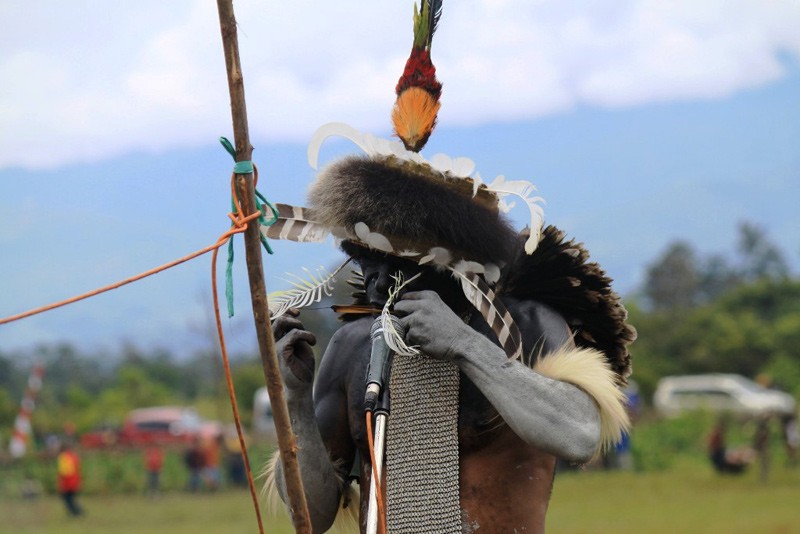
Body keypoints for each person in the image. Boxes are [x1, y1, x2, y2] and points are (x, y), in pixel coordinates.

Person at [261, 4, 634, 532]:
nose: (369, 283)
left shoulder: (526, 329)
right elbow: (314, 515)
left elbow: (577, 435)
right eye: (362, 263)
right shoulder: (353, 347)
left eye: (388, 266)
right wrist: (295, 399)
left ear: (446, 269)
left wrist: (467, 346)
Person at [56, 442, 83, 517]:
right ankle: (78, 511)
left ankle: (76, 512)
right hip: (75, 480)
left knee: (67, 499)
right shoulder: (74, 456)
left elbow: (65, 471)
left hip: (67, 482)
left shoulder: (63, 457)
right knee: (72, 498)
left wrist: (61, 482)